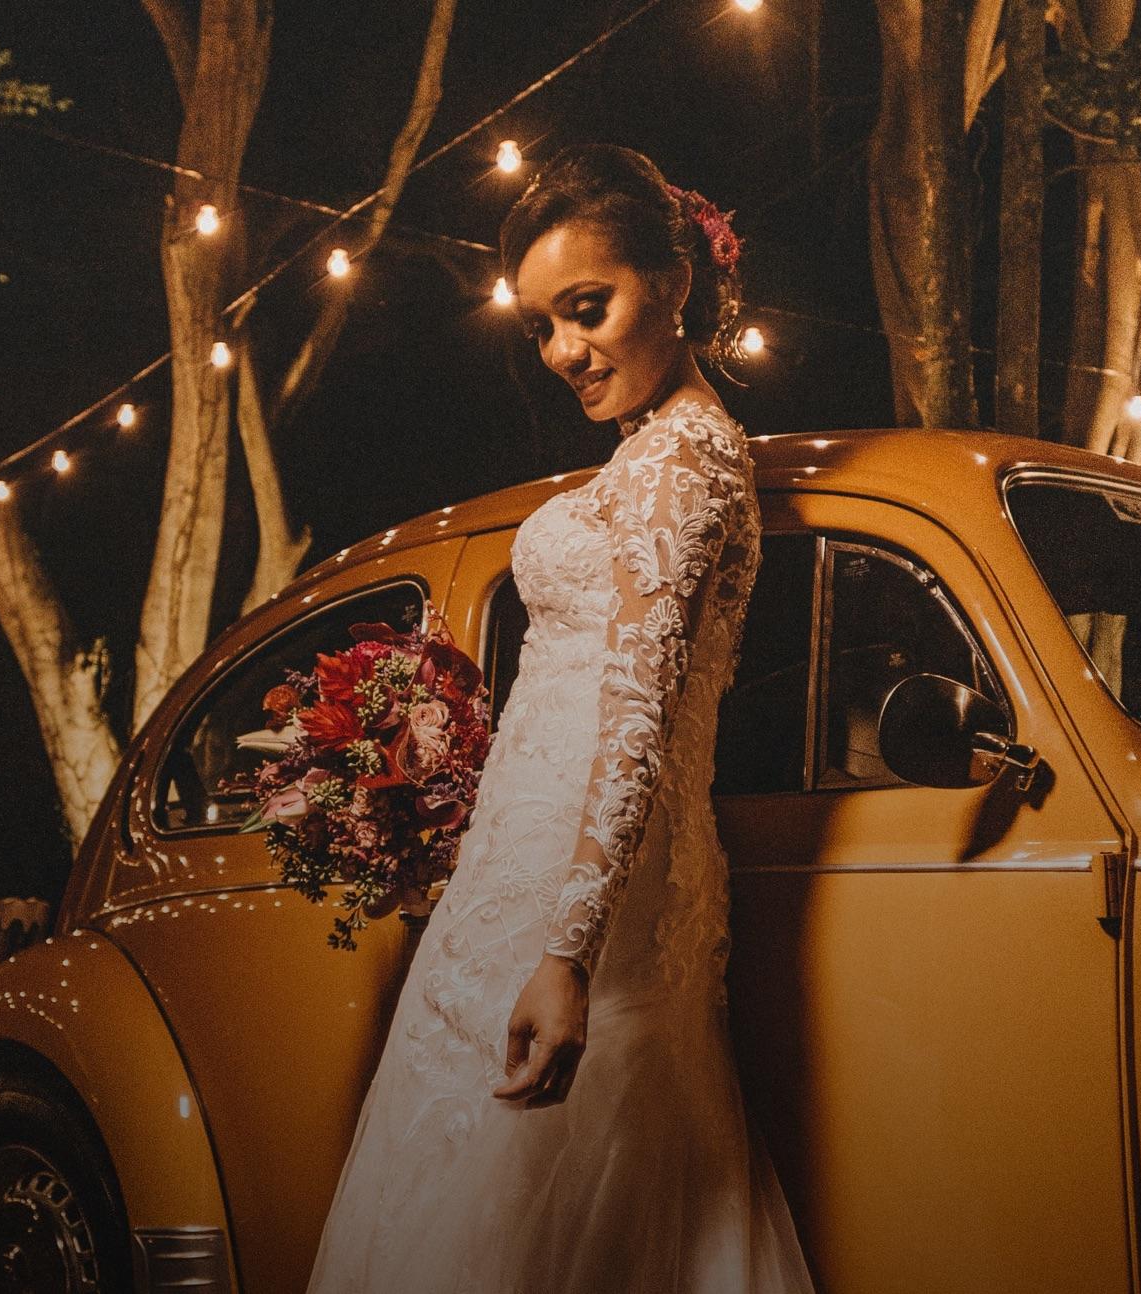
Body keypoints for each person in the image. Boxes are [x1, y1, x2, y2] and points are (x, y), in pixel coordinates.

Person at [305, 143, 817, 1293]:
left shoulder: (686, 458)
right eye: (541, 326)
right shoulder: (643, 460)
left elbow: (637, 713)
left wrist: (566, 956)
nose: (562, 353)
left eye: (586, 310)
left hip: (588, 915)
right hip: (524, 880)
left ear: (673, 282)